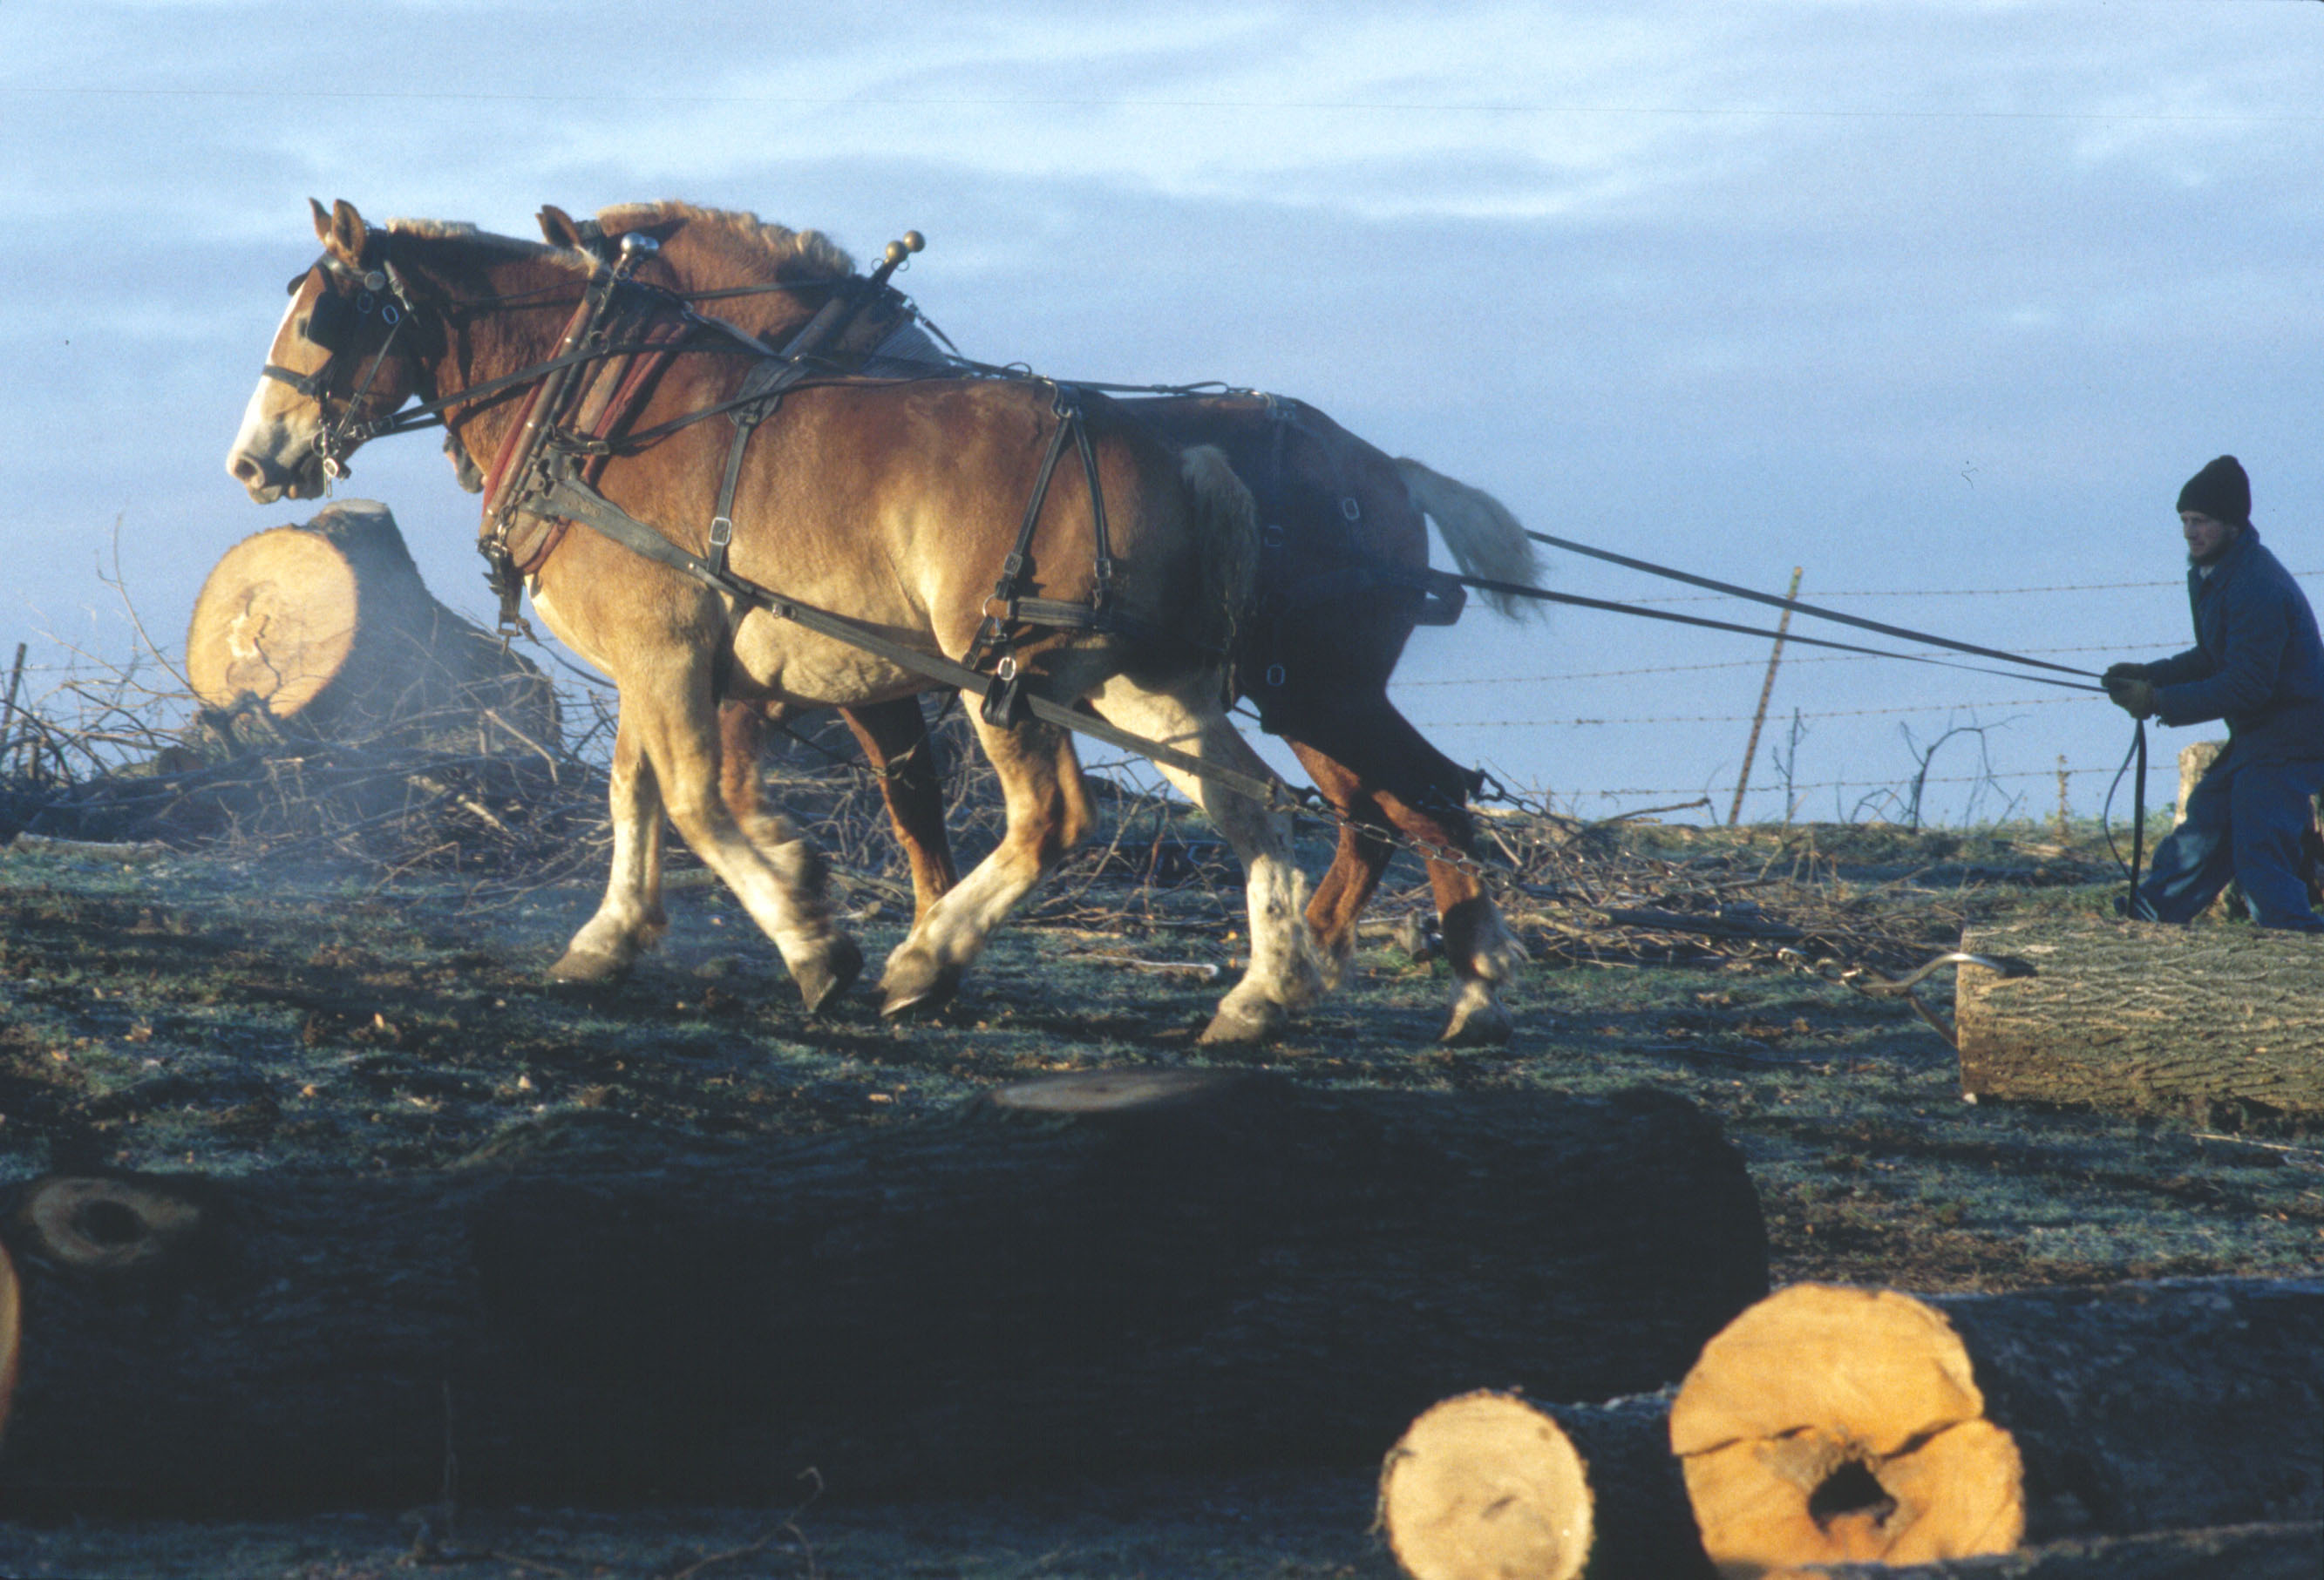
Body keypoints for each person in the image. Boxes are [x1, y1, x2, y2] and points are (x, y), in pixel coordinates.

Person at [2104, 455, 2324, 929]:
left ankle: (2297, 948)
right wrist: (2149, 675)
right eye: (2184, 520)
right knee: (2205, 827)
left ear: (2231, 523)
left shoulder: (2255, 583)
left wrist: (2158, 701)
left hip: (2293, 736)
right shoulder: (2214, 573)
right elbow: (2212, 657)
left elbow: (2247, 684)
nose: (2189, 531)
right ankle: (2147, 924)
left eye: (2200, 521)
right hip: (2261, 736)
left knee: (2259, 847)